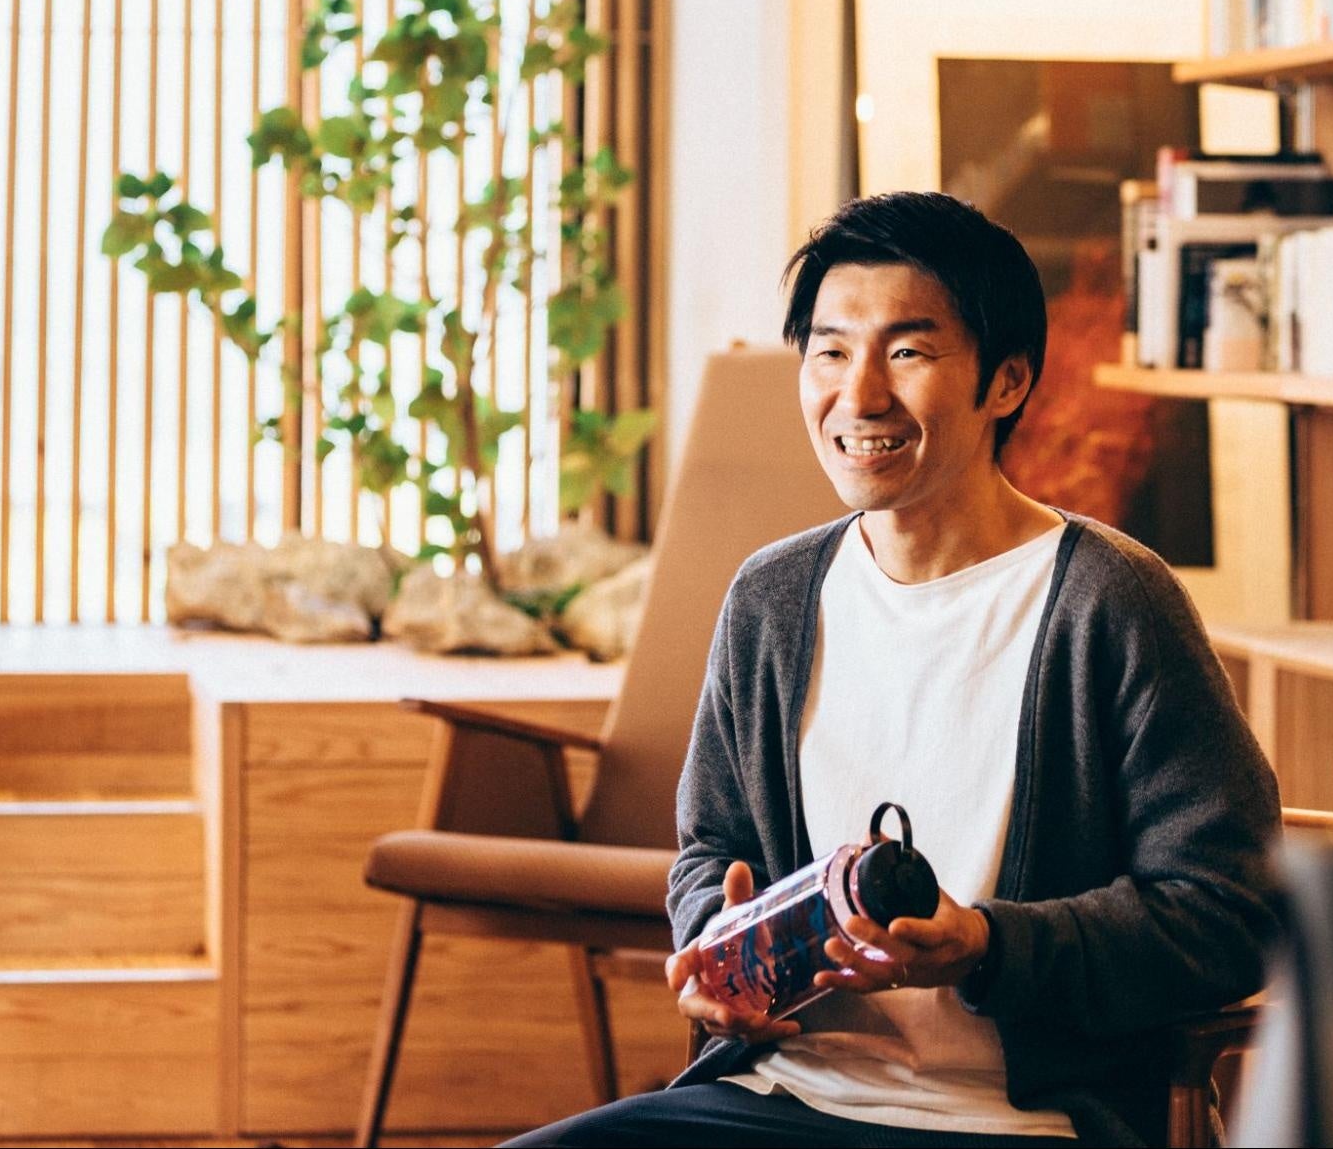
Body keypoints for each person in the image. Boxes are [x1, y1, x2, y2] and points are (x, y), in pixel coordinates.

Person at [509, 191, 1281, 1148]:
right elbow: (711, 849)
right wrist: (719, 944)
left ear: (1006, 382)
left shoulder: (1108, 602)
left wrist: (987, 945)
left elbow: (1228, 909)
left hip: (1015, 1123)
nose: (860, 394)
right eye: (830, 352)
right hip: (778, 1097)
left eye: (907, 352)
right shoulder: (772, 599)